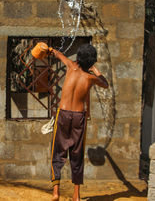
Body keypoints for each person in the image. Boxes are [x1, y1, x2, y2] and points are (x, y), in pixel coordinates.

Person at [49, 43, 109, 201]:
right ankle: (76, 195)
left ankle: (56, 192)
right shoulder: (91, 78)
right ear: (91, 61)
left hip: (63, 114)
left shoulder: (71, 66)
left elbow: (57, 53)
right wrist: (97, 71)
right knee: (77, 154)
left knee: (57, 152)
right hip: (78, 117)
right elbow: (106, 85)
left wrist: (48, 49)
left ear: (78, 57)